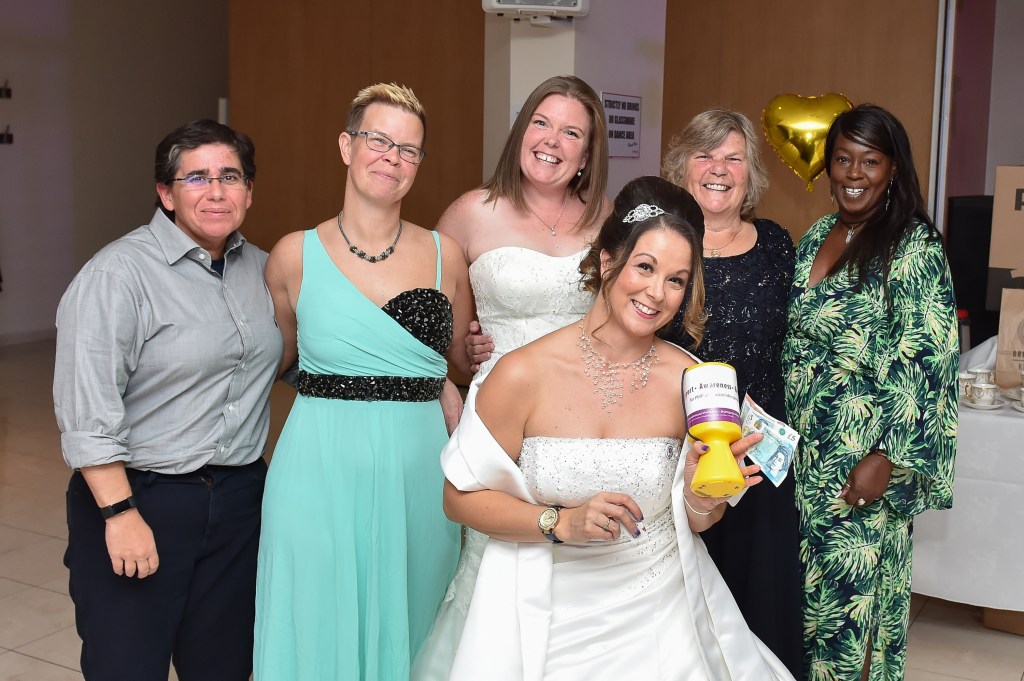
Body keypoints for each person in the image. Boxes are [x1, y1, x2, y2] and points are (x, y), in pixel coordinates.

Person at [438, 176, 795, 680]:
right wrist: (558, 523)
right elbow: (457, 498)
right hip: (543, 612)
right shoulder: (522, 374)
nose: (657, 293)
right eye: (645, 267)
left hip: (663, 618)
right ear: (608, 261)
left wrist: (703, 495)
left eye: (676, 280)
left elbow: (699, 521)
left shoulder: (690, 381)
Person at [253, 83, 471, 680]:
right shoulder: (292, 256)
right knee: (317, 614)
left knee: (417, 614)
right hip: (317, 465)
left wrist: (447, 379)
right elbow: (277, 358)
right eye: (378, 140)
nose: (392, 158)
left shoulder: (446, 255)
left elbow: (461, 357)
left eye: (409, 149)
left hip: (418, 468)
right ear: (346, 146)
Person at [54, 119, 281, 681]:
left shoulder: (265, 269)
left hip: (239, 501)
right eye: (196, 177)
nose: (216, 191)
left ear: (249, 191)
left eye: (231, 176)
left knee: (225, 667)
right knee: (127, 665)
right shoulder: (117, 275)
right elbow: (87, 412)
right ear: (166, 193)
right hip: (142, 498)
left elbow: (307, 359)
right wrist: (119, 514)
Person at [411, 75, 609, 679]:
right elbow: (429, 325)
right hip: (498, 416)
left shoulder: (608, 219)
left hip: (582, 415)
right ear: (521, 130)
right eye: (541, 123)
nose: (551, 140)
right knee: (496, 550)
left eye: (571, 132)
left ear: (587, 152)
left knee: (575, 555)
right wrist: (455, 371)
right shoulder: (471, 212)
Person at [781, 104, 958, 680]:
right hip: (802, 457)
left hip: (861, 460)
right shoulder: (817, 235)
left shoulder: (913, 246)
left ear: (893, 168)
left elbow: (928, 362)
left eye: (870, 161)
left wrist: (886, 456)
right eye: (843, 159)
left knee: (851, 610)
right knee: (807, 605)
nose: (854, 173)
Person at [662, 109, 803, 676]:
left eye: (733, 158)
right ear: (682, 167)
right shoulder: (662, 244)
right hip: (675, 452)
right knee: (684, 607)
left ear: (751, 174)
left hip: (761, 457)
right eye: (705, 155)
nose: (718, 169)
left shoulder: (777, 244)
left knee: (759, 599)